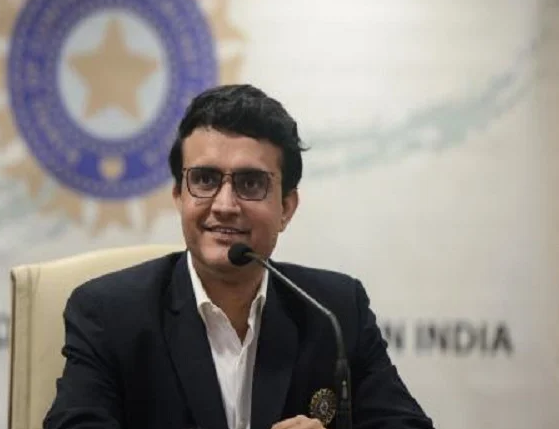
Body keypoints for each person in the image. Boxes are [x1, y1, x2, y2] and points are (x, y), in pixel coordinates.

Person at [43, 84, 434, 429]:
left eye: (250, 183)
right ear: (179, 196)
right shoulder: (109, 314)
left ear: (286, 207)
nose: (225, 205)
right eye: (204, 179)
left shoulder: (334, 312)